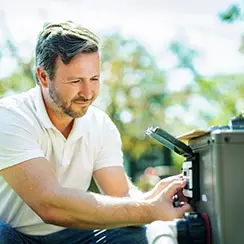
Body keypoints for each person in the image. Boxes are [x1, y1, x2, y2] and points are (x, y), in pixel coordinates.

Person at [0, 20, 191, 244]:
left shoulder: (99, 124)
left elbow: (121, 196)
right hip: (13, 236)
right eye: (75, 81)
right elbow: (48, 204)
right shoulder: (10, 117)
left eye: (94, 79)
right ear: (43, 77)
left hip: (73, 233)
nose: (88, 93)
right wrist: (148, 209)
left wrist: (156, 198)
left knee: (133, 236)